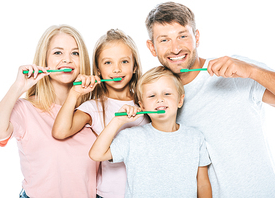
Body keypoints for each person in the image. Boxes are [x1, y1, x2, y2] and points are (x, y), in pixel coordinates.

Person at [145, 2, 275, 197]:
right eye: (164, 40)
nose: (176, 48)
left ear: (196, 37)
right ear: (152, 47)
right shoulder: (157, 99)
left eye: (182, 36)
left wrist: (252, 71)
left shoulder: (235, 69)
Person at [0, 25, 99, 198]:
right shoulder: (26, 109)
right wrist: (18, 86)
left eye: (75, 53)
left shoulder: (91, 110)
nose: (67, 60)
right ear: (44, 60)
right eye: (58, 53)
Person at [52, 29, 149, 198]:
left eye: (124, 61)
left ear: (135, 66)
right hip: (109, 194)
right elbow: (60, 132)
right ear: (98, 70)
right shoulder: (93, 107)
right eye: (108, 63)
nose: (117, 69)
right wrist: (74, 93)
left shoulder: (148, 101)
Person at [89, 66, 212, 197]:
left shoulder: (195, 138)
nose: (160, 99)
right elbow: (96, 154)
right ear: (142, 106)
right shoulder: (132, 137)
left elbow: (202, 183)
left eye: (167, 93)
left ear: (180, 100)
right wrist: (117, 121)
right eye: (152, 95)